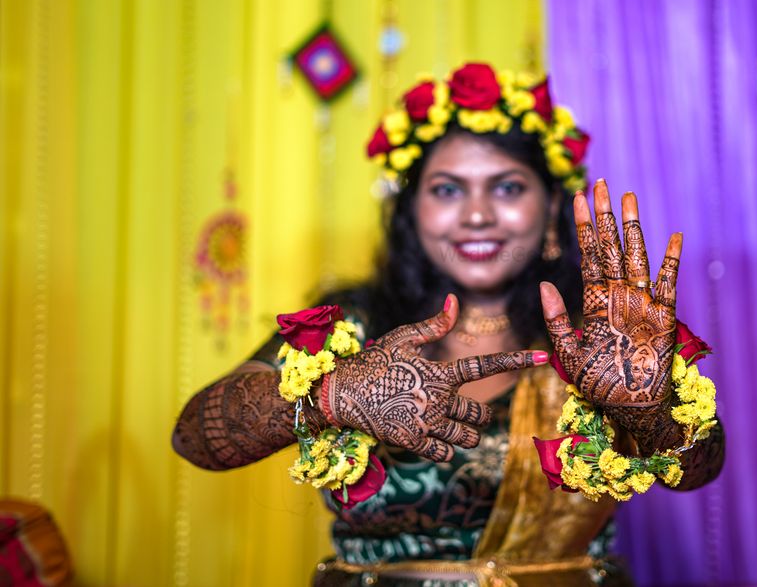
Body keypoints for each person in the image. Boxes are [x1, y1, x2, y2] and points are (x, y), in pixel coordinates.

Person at [172, 62, 725, 587]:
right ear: (412, 210)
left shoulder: (604, 338)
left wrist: (653, 417)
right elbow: (195, 435)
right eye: (447, 189)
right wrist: (331, 395)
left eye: (507, 187)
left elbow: (703, 469)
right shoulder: (351, 328)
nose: (477, 213)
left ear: (551, 202)